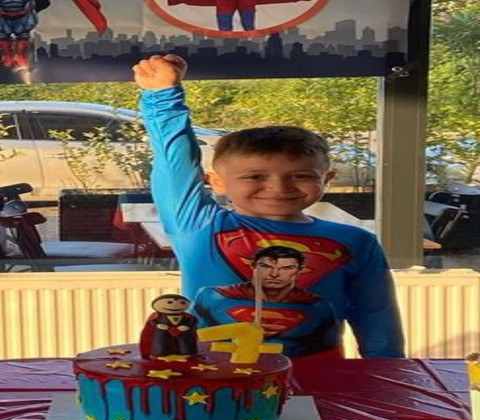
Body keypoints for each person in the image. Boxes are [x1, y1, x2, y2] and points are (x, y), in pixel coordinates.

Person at [133, 54, 405, 358]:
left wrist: (388, 373)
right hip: (211, 375)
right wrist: (163, 96)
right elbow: (174, 166)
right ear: (217, 182)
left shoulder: (356, 242)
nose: (279, 187)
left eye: (301, 176)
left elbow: (377, 318)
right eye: (255, 176)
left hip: (318, 375)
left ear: (326, 179)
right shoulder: (198, 226)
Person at [193, 245, 341, 357]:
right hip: (224, 369)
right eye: (266, 266)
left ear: (300, 270)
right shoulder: (214, 297)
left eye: (286, 268)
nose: (274, 274)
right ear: (253, 266)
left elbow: (329, 351)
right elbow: (189, 337)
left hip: (291, 374)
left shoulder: (317, 306)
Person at [139, 294, 198, 359]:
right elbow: (151, 322)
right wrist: (158, 325)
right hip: (162, 332)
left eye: (182, 303)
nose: (175, 305)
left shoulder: (188, 317)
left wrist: (187, 326)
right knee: (161, 342)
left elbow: (193, 321)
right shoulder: (156, 316)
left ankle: (186, 352)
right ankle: (159, 353)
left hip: (183, 331)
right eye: (169, 302)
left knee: (185, 342)